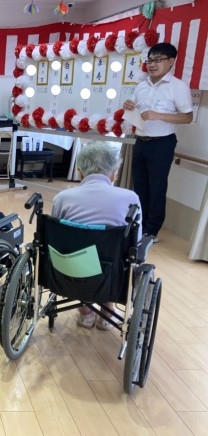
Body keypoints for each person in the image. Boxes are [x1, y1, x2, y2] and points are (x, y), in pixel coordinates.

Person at [51, 141, 141, 330]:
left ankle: (85, 310)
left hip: (71, 271)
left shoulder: (62, 198)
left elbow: (55, 239)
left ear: (79, 172)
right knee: (117, 255)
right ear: (114, 173)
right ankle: (108, 311)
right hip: (113, 273)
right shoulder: (130, 198)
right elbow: (137, 240)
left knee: (78, 250)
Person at [123, 42, 193, 242]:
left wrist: (158, 115)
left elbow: (187, 117)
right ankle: (138, 225)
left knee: (157, 188)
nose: (152, 64)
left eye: (158, 60)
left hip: (162, 144)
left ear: (171, 61)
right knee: (140, 186)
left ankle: (152, 231)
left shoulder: (178, 87)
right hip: (140, 141)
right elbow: (134, 112)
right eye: (150, 60)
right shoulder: (141, 86)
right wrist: (128, 106)